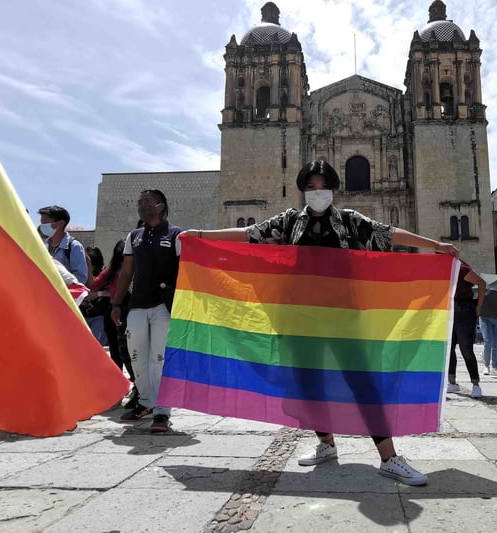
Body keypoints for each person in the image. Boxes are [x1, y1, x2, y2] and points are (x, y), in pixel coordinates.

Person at [183, 160, 459, 486]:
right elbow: (248, 234)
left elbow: (387, 233)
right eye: (311, 187)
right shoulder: (289, 221)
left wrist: (436, 245)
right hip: (300, 318)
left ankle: (389, 457)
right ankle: (326, 444)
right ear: (303, 190)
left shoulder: (348, 221)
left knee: (362, 383)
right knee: (309, 384)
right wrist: (201, 236)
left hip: (344, 317)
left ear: (332, 189)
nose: (317, 192)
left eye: (322, 186)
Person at [111, 190, 183, 431]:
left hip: (163, 305)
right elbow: (127, 271)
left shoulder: (176, 235)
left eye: (148, 202)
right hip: (138, 305)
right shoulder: (135, 236)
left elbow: (186, 270)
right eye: (140, 202)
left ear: (161, 206)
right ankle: (145, 402)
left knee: (159, 359)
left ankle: (162, 411)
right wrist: (117, 303)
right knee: (137, 357)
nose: (142, 206)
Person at [89, 240, 136, 390]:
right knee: (118, 351)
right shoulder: (112, 270)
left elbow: (122, 291)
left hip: (128, 310)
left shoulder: (135, 269)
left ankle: (136, 384)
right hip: (115, 311)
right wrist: (87, 264)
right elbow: (93, 284)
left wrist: (101, 293)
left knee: (127, 351)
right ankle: (121, 385)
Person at [447, 263, 486, 397]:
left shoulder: (461, 269)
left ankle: (475, 384)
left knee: (466, 349)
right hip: (449, 311)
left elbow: (482, 283)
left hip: (464, 309)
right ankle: (452, 382)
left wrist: (478, 307)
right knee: (449, 348)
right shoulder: (440, 269)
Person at [38, 205, 88, 284]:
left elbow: (81, 278)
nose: (42, 226)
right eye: (41, 222)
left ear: (60, 224)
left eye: (45, 222)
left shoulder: (74, 247)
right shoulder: (42, 245)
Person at [84, 246, 108, 345]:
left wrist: (97, 294)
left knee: (96, 345)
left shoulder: (104, 276)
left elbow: (112, 292)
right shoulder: (80, 275)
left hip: (99, 317)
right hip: (83, 317)